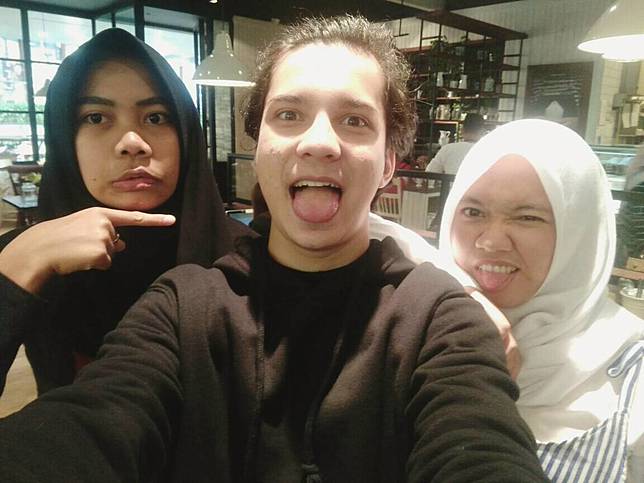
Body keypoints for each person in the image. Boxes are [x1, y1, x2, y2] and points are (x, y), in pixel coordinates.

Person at [0, 16, 547, 482]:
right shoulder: (183, 304)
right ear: (258, 148)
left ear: (388, 163)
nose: (319, 141)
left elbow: (480, 445)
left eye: (355, 120)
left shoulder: (439, 317)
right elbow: (90, 421)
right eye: (288, 115)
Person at [0, 28, 248, 395]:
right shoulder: (24, 255)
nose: (132, 143)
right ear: (64, 139)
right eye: (96, 118)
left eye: (156, 117)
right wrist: (17, 271)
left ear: (186, 133)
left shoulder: (248, 255)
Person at [439, 118, 644, 482]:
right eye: (473, 212)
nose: (491, 241)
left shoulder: (632, 378)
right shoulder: (424, 335)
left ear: (579, 231)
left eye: (527, 217)